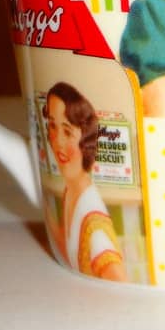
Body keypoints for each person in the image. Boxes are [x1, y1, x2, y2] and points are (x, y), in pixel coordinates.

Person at [42, 82, 127, 282]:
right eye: (53, 126)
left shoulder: (94, 224)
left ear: (85, 138)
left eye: (67, 131)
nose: (57, 142)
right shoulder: (72, 190)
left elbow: (118, 280)